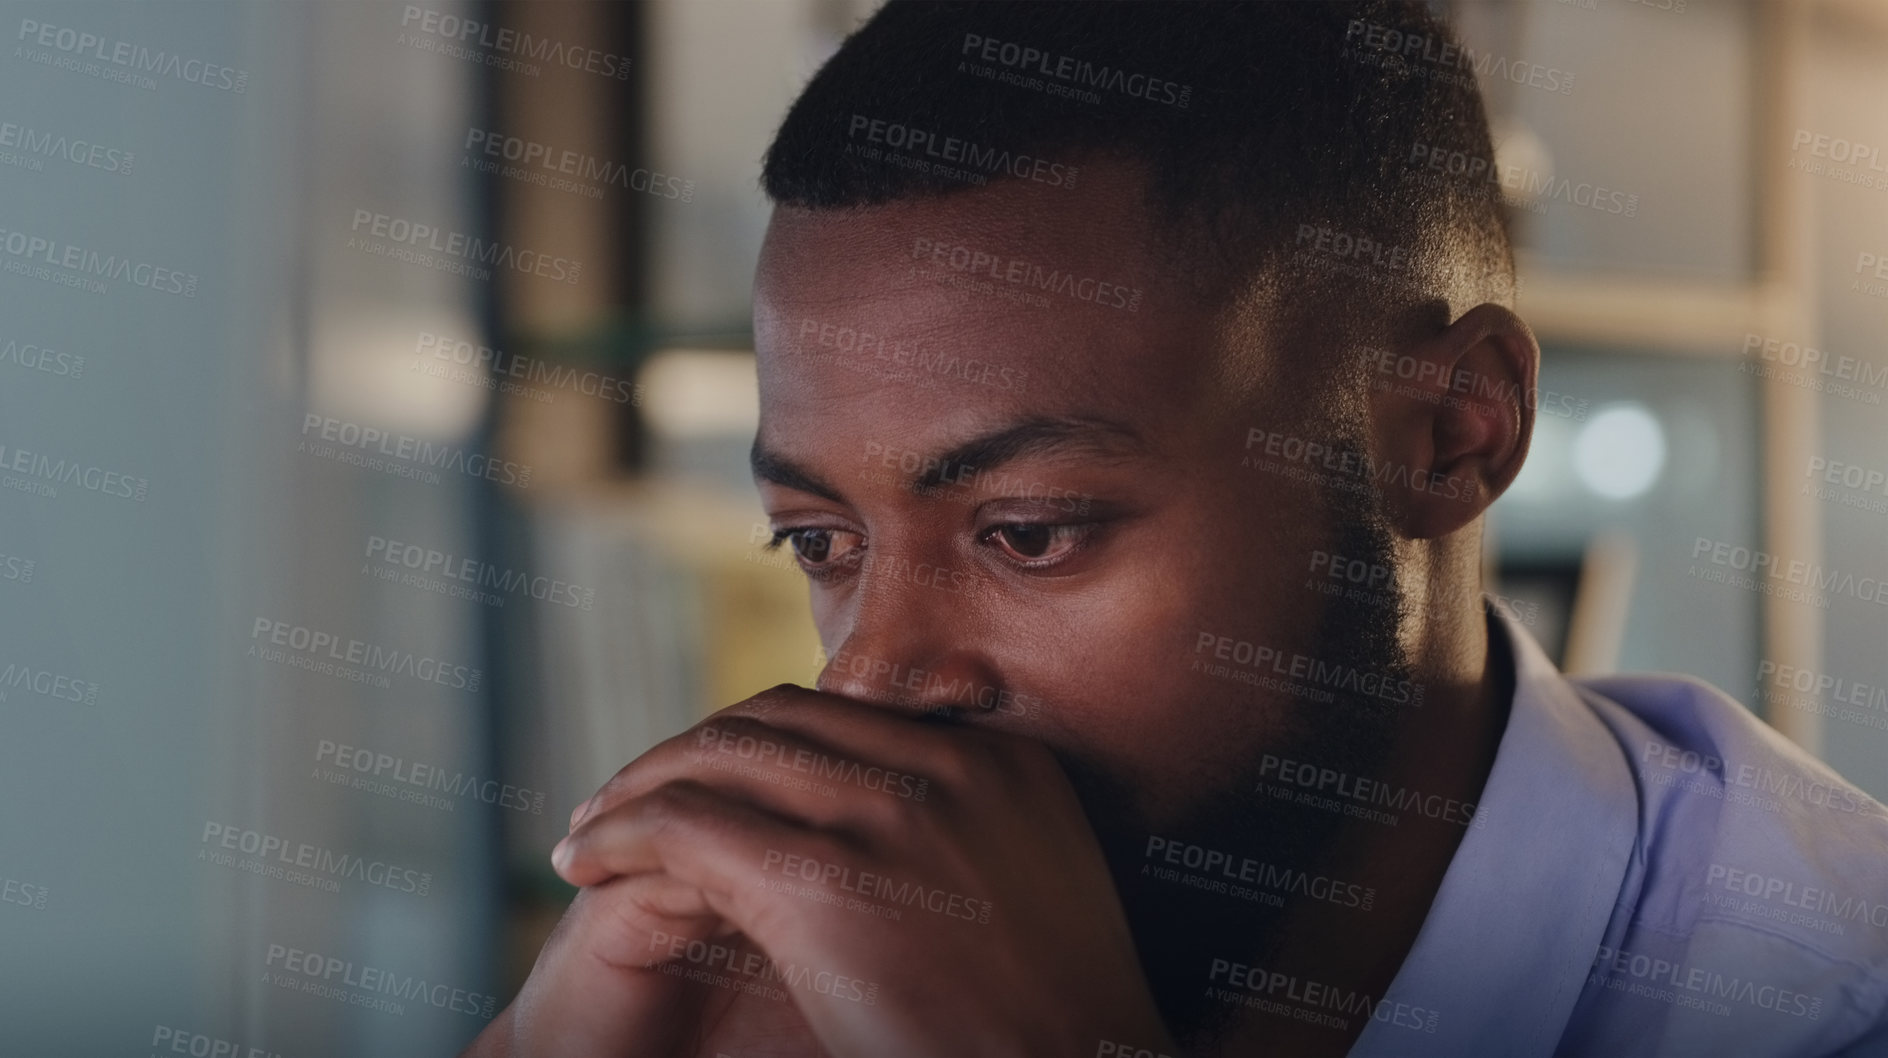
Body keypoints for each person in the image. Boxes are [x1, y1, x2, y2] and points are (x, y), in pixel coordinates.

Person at [465, 2, 1888, 1055]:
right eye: (823, 541)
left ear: (1455, 433)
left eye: (1028, 532)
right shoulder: (806, 985)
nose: (877, 675)